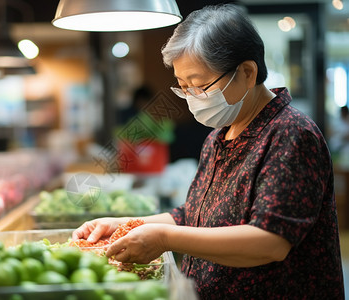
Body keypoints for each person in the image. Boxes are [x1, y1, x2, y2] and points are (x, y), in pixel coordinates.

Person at [72, 4, 344, 299]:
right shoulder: (219, 136)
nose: (191, 97)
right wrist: (124, 226)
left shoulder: (290, 134)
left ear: (247, 72)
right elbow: (195, 215)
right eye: (183, 86)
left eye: (200, 86)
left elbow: (270, 241)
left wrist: (164, 238)